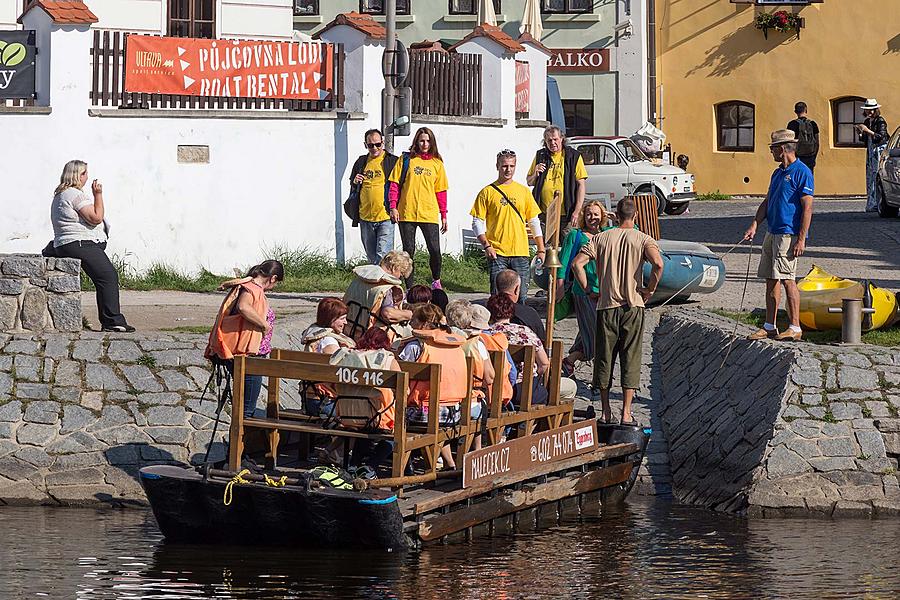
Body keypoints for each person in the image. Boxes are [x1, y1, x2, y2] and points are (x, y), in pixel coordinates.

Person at [572, 197, 663, 425]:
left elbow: (577, 264)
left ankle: (605, 412)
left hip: (607, 306)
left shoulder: (602, 237)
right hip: (633, 306)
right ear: (636, 216)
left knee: (605, 358)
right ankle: (626, 413)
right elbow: (659, 264)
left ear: (616, 215)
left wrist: (588, 289)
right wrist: (649, 289)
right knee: (630, 358)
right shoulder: (643, 239)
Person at [743, 129, 814, 342]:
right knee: (771, 279)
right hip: (771, 232)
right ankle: (769, 326)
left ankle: (795, 327)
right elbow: (768, 201)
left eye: (773, 148)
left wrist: (801, 239)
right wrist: (755, 224)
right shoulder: (777, 173)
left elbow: (807, 208)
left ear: (782, 149)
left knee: (787, 280)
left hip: (787, 234)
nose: (771, 152)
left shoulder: (802, 172)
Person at [50, 160, 133, 332]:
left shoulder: (61, 194)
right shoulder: (74, 194)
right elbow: (95, 217)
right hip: (79, 243)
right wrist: (98, 194)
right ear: (78, 175)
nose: (87, 177)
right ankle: (113, 321)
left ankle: (110, 320)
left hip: (65, 243)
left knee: (103, 276)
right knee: (107, 276)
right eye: (84, 173)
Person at [206, 260, 284, 419]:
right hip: (248, 358)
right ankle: (239, 444)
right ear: (273, 278)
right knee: (246, 411)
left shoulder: (249, 286)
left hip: (247, 357)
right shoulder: (252, 289)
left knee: (243, 408)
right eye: (276, 283)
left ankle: (238, 443)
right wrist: (264, 325)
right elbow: (243, 307)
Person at [397, 304, 469, 470]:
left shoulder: (417, 346)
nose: (410, 323)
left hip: (424, 413)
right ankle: (450, 464)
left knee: (385, 414)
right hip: (453, 412)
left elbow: (398, 375)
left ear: (424, 324)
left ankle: (403, 466)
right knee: (437, 427)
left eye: (413, 319)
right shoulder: (455, 345)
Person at [471, 149, 546, 300]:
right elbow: (477, 222)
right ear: (497, 166)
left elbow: (533, 221)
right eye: (504, 166)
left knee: (522, 297)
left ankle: (520, 324)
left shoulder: (523, 191)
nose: (508, 170)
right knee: (498, 298)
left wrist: (541, 248)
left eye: (511, 166)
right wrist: (486, 245)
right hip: (497, 252)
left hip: (520, 252)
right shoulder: (487, 192)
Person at [486, 293, 577, 406]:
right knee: (570, 386)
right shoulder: (524, 332)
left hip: (492, 389)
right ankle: (546, 423)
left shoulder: (486, 334)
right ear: (511, 310)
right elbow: (544, 364)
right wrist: (534, 377)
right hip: (522, 390)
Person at [388, 127, 449, 290]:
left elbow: (441, 191)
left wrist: (444, 214)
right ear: (416, 141)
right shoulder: (406, 159)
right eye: (422, 140)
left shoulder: (437, 163)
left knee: (435, 250)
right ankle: (409, 287)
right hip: (407, 212)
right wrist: (393, 206)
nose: (425, 144)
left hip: (428, 213)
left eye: (428, 140)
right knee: (408, 253)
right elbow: (394, 185)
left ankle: (436, 281)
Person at [556, 200, 605, 376]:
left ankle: (568, 361)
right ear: (584, 216)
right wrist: (560, 285)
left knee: (589, 329)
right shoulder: (575, 235)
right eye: (590, 214)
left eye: (597, 214)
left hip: (603, 292)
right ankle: (592, 367)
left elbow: (633, 231)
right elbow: (563, 262)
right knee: (597, 335)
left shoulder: (606, 233)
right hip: (583, 292)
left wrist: (618, 219)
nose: (593, 218)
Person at [445, 299, 495, 452]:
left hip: (446, 400)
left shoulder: (442, 340)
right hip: (469, 401)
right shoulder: (476, 343)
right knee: (479, 405)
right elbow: (490, 377)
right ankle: (477, 449)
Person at [350, 129, 399, 265]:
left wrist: (395, 207)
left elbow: (398, 186)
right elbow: (352, 185)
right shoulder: (361, 162)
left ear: (383, 143)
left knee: (382, 257)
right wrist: (355, 181)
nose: (375, 148)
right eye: (370, 145)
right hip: (365, 217)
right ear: (365, 145)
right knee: (372, 258)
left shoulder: (392, 161)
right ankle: (378, 284)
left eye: (377, 144)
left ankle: (383, 284)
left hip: (385, 217)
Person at [526, 125, 588, 231]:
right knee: (546, 247)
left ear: (562, 139)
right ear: (545, 142)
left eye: (555, 139)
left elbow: (581, 185)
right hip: (545, 215)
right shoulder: (540, 155)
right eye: (549, 140)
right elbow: (529, 182)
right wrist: (535, 173)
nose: (552, 143)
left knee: (568, 245)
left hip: (567, 214)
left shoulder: (573, 156)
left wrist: (577, 211)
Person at [343, 250, 414, 340]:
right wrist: (410, 314)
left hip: (350, 329)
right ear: (395, 268)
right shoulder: (385, 287)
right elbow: (388, 314)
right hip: (372, 336)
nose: (400, 277)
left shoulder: (359, 280)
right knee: (409, 333)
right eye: (401, 273)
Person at [857, 98, 889, 213]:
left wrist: (867, 131)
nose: (869, 112)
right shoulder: (867, 121)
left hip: (878, 151)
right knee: (870, 177)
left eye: (871, 110)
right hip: (871, 151)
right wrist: (861, 133)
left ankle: (878, 202)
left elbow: (881, 137)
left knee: (877, 176)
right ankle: (871, 203)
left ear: (875, 110)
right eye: (867, 110)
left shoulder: (880, 121)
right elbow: (865, 140)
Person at [786, 101, 820, 174]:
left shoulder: (792, 124)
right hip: (810, 157)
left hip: (797, 157)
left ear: (795, 111)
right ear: (806, 110)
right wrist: (814, 157)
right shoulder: (813, 124)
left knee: (796, 179)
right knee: (808, 178)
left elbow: (789, 143)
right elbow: (817, 142)